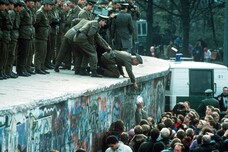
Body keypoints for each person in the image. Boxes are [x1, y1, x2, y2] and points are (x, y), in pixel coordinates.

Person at [34, 0, 54, 74]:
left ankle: (41, 67)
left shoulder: (46, 12)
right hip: (40, 36)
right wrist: (38, 33)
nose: (51, 7)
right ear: (45, 5)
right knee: (39, 52)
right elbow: (35, 24)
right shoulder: (40, 13)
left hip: (44, 36)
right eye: (50, 5)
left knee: (43, 52)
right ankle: (37, 68)